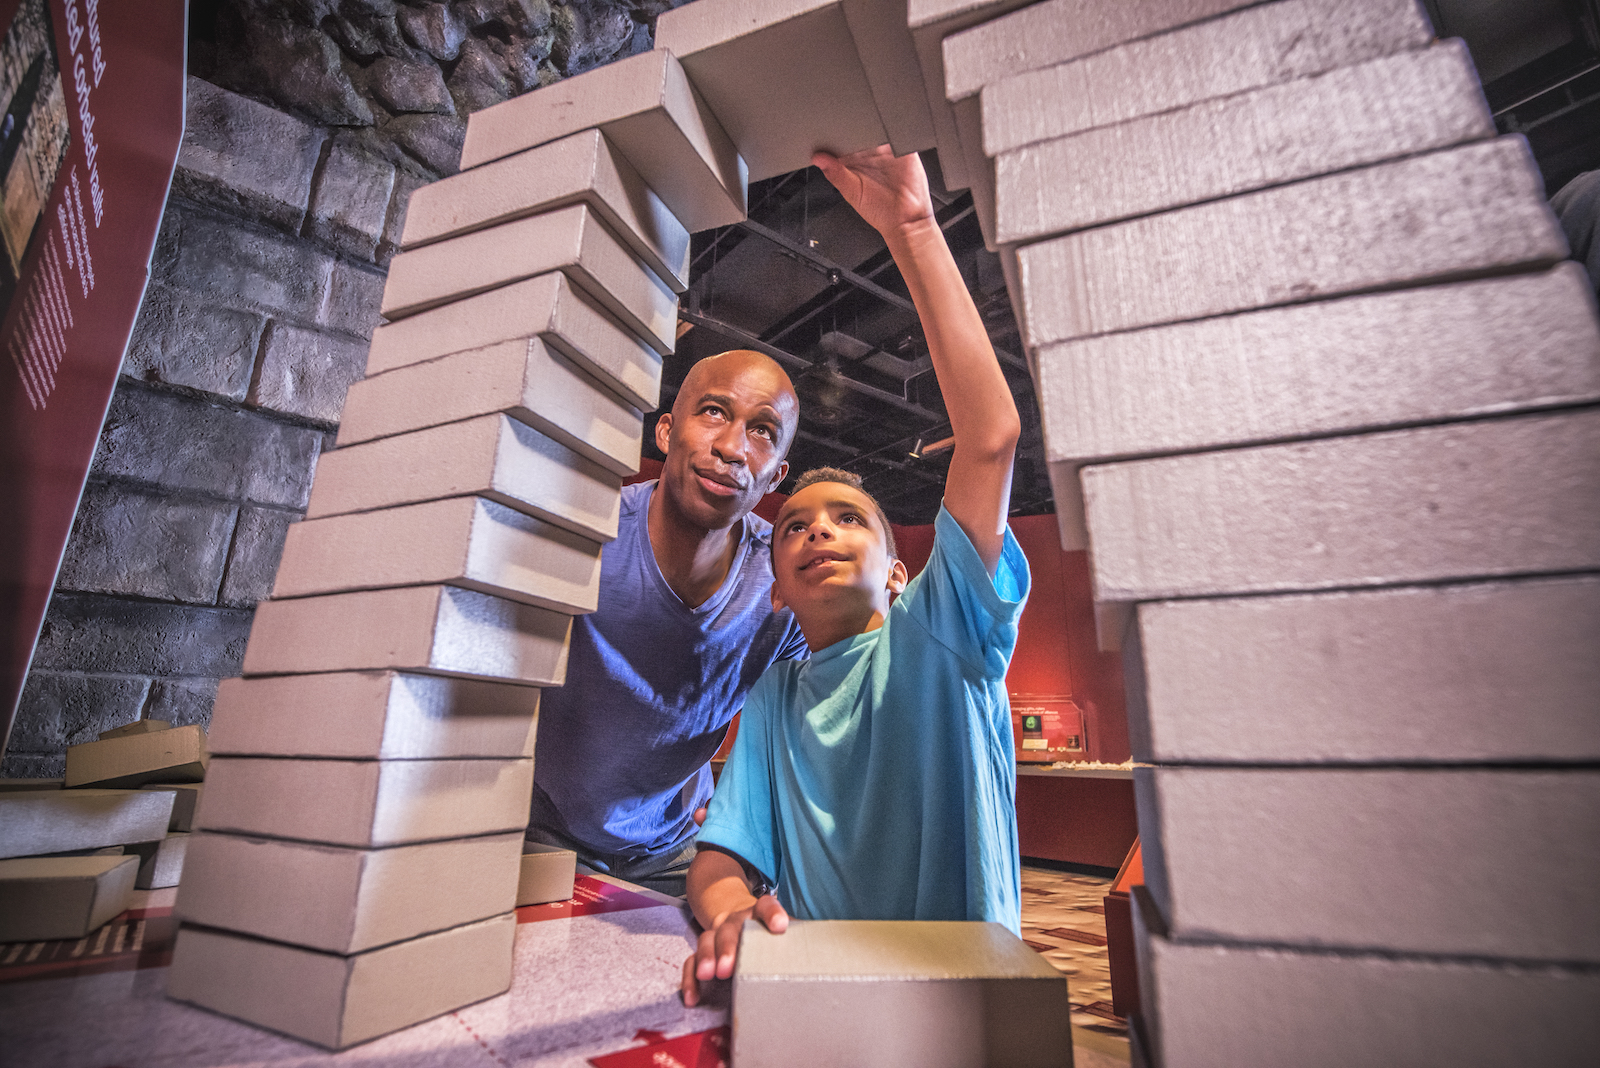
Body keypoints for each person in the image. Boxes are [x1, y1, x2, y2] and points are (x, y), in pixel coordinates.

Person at [681, 144, 1029, 1004]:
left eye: (848, 519)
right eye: (793, 526)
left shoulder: (939, 636)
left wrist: (913, 229)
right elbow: (723, 856)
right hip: (819, 999)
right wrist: (730, 910)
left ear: (900, 573)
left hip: (960, 1007)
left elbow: (990, 439)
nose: (817, 531)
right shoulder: (777, 694)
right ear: (778, 585)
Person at [525, 347, 810, 896]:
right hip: (543, 829)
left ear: (776, 475)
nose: (732, 448)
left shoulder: (783, 581)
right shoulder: (585, 533)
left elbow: (802, 738)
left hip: (679, 846)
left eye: (762, 431)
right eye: (714, 412)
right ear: (665, 431)